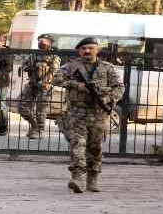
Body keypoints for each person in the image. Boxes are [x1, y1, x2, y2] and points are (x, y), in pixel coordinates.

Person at [53, 37, 124, 193]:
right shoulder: (71, 67)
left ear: (97, 50)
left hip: (99, 115)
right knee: (78, 144)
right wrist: (76, 85)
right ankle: (78, 177)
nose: (87, 51)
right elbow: (56, 79)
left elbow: (119, 87)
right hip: (77, 113)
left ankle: (93, 178)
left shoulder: (108, 68)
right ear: (79, 51)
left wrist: (108, 98)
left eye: (90, 48)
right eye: (84, 48)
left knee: (95, 148)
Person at [18, 34, 61, 139]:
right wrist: (23, 67)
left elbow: (53, 71)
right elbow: (24, 64)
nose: (41, 42)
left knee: (41, 109)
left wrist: (45, 82)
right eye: (40, 40)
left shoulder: (54, 57)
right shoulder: (33, 55)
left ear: (50, 43)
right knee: (21, 106)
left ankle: (39, 130)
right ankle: (34, 126)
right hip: (32, 83)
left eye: (44, 41)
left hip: (45, 86)